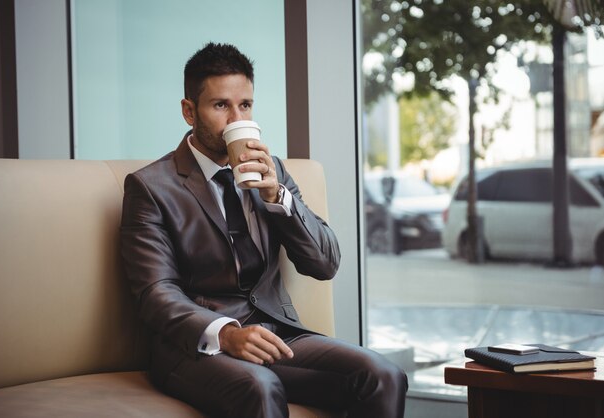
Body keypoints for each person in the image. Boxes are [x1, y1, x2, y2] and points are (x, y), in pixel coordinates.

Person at [120, 42, 407, 418]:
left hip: (276, 331)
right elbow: (156, 294)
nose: (236, 119)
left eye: (246, 106)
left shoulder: (273, 172)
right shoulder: (150, 187)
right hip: (197, 348)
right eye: (221, 105)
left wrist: (278, 196)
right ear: (189, 112)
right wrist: (225, 333)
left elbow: (325, 264)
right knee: (260, 385)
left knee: (383, 375)